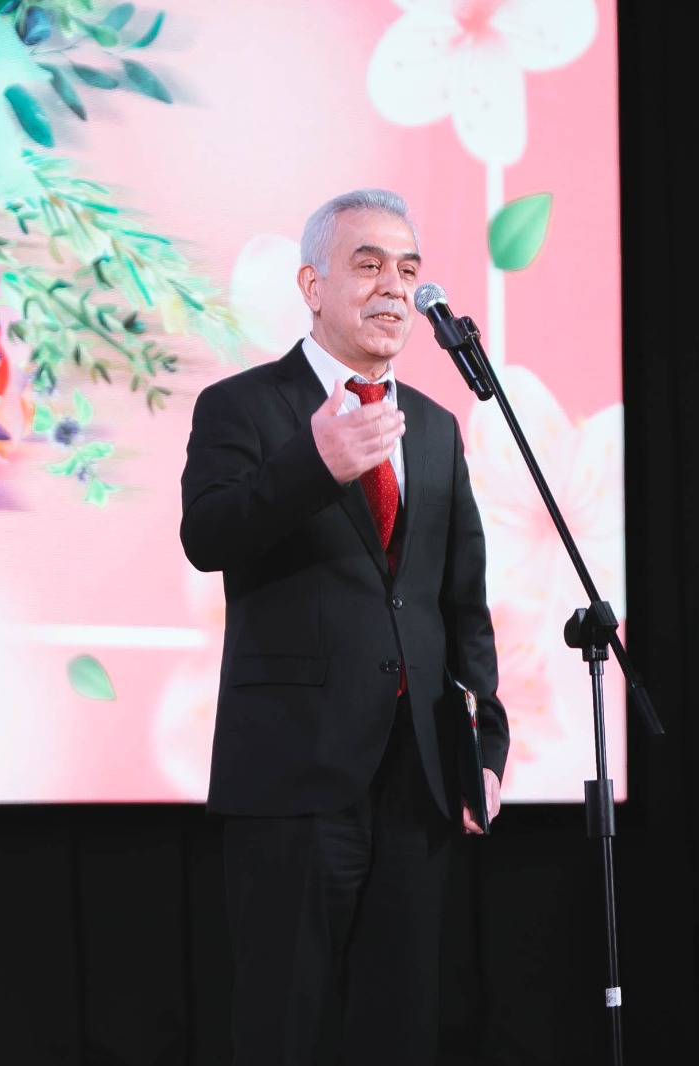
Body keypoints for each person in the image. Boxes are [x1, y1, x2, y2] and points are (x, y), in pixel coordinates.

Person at [179, 187, 508, 1065]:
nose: (394, 287)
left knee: (400, 1029)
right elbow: (206, 536)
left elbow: (460, 598)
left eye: (408, 269)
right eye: (368, 265)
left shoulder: (434, 426)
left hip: (419, 777)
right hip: (294, 776)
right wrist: (311, 466)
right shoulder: (243, 408)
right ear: (312, 285)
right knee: (281, 1027)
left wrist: (485, 744)